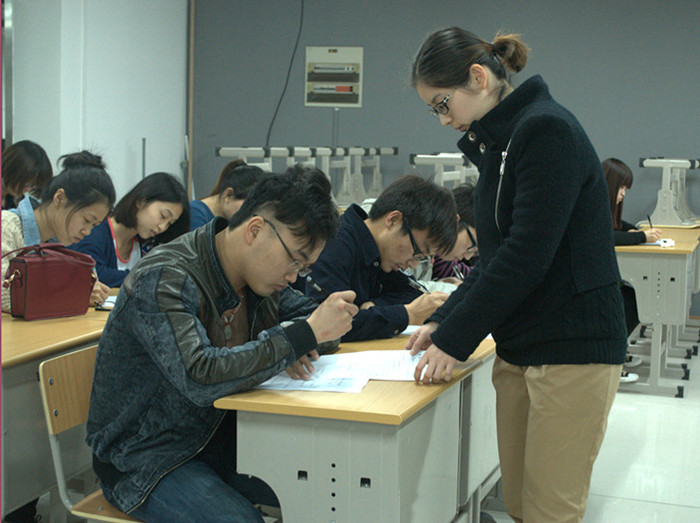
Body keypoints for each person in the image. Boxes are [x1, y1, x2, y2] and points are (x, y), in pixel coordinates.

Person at [406, 28, 627, 523]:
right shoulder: (501, 144)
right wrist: (443, 320)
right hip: (523, 345)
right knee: (521, 505)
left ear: (478, 78)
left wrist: (455, 340)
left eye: (442, 104)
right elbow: (496, 256)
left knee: (551, 511)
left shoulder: (546, 130)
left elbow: (526, 255)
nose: (444, 120)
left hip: (571, 349)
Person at [86, 166, 358, 521]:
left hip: (220, 437)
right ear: (255, 230)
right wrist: (296, 339)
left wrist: (298, 339)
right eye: (294, 260)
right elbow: (200, 375)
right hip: (145, 458)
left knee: (334, 489)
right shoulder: (166, 276)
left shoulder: (260, 280)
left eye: (303, 268)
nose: (293, 276)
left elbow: (319, 323)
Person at [307, 174, 457, 341]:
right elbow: (329, 323)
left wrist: (375, 306)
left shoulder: (383, 254)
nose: (414, 265)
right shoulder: (335, 244)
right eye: (417, 252)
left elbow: (411, 294)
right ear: (393, 220)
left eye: (422, 258)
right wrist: (407, 315)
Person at [2, 151, 116, 313]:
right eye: (86, 220)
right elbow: (5, 296)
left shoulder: (63, 244)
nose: (87, 231)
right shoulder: (6, 226)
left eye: (94, 225)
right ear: (59, 198)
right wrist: (74, 294)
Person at [71, 172, 189, 287]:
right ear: (141, 201)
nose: (162, 227)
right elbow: (94, 275)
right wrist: (145, 277)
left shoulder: (147, 245)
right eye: (163, 216)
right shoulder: (95, 232)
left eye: (169, 223)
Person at [603, 157, 661, 379]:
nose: (623, 194)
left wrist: (635, 230)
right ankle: (612, 355)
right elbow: (608, 235)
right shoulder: (591, 207)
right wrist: (641, 237)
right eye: (621, 188)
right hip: (592, 283)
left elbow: (617, 227)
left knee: (635, 297)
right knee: (632, 299)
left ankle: (617, 350)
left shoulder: (606, 207)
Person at [189, 159, 266, 230]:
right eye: (246, 209)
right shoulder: (195, 214)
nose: (249, 217)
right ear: (228, 195)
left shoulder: (226, 220)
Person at [1, 140, 53, 209]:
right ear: (11, 169)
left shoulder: (13, 200)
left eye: (33, 185)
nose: (27, 189)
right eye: (27, 184)